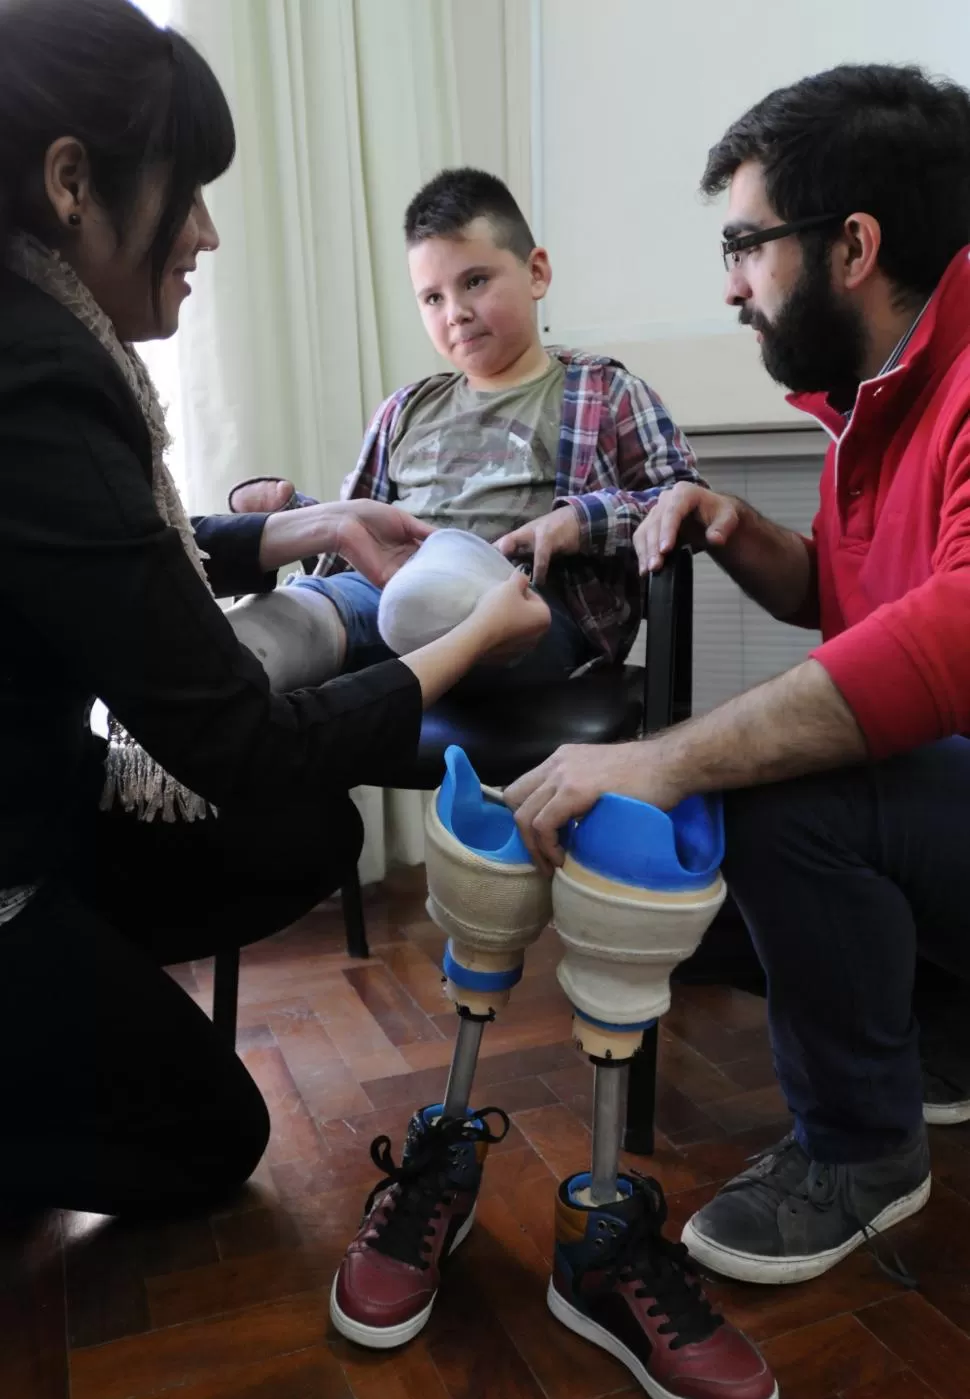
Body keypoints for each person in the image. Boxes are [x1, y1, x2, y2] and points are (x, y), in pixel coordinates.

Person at [0, 0, 549, 1219]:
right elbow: (235, 739)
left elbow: (92, 551)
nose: (204, 230)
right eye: (187, 189)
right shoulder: (37, 376)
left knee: (305, 838)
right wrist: (465, 633)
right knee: (217, 1136)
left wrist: (297, 526)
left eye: (480, 281)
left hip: (45, 790)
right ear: (70, 182)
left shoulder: (42, 343)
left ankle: (70, 1011)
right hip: (13, 853)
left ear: (534, 276)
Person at [507, 63, 970, 1287]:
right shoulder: (875, 398)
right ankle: (947, 1042)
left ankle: (862, 1152)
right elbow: (864, 598)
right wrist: (730, 524)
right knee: (776, 769)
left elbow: (958, 632)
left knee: (778, 789)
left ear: (853, 245)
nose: (728, 284)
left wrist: (657, 758)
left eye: (745, 244)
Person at [227, 167, 703, 692]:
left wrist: (579, 521)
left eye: (475, 281)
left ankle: (435, 597)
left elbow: (686, 503)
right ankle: (238, 659)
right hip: (388, 593)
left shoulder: (604, 392)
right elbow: (354, 541)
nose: (455, 313)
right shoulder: (403, 410)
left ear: (536, 273)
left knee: (442, 591)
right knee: (301, 609)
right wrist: (296, 516)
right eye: (432, 298)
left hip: (521, 605)